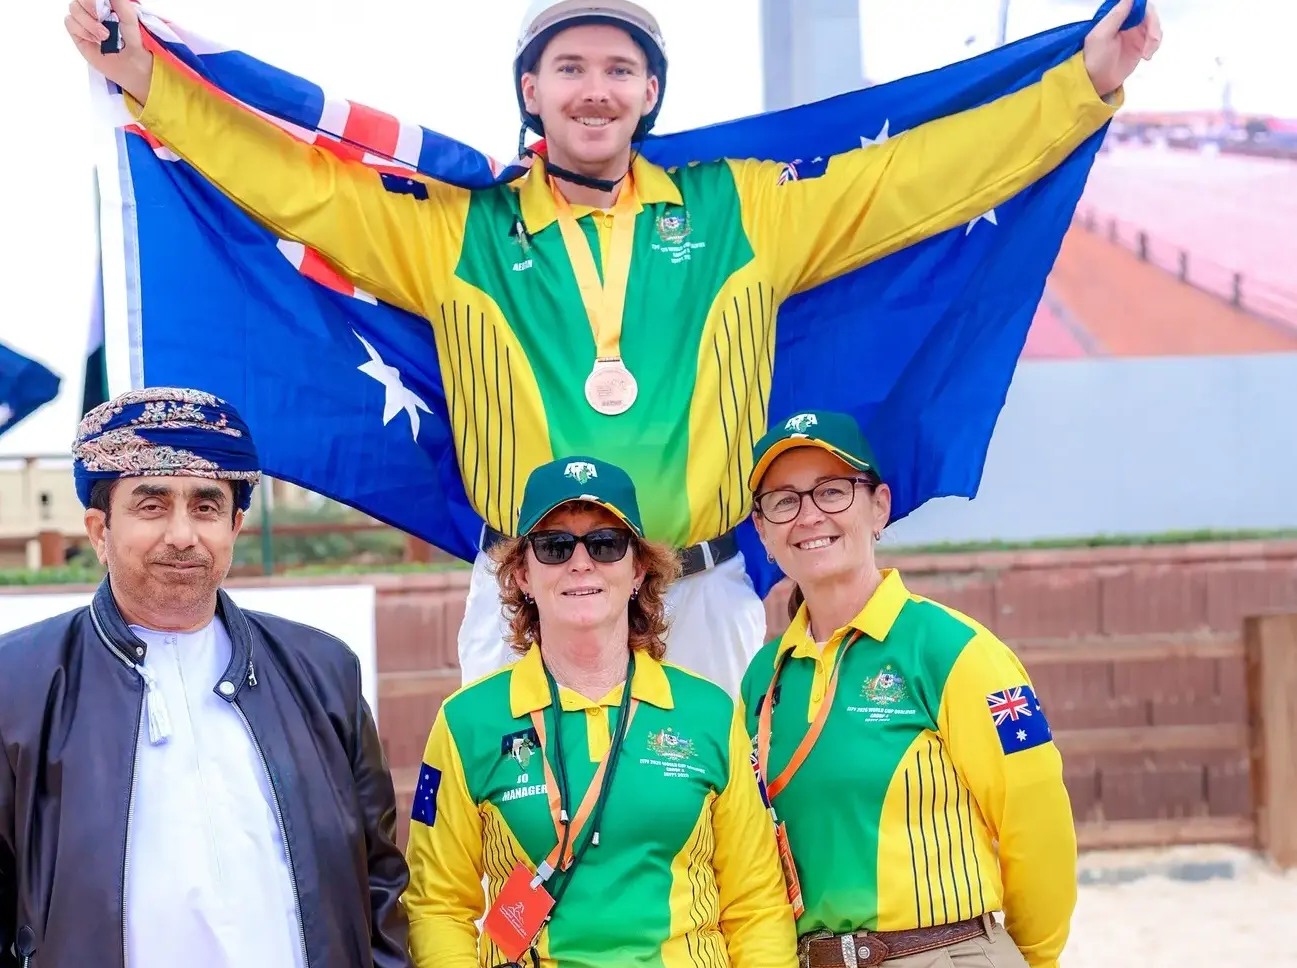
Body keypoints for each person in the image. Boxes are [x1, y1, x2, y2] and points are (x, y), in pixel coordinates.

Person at [63, 0, 1162, 694]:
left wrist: (1083, 87)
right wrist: (152, 81)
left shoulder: (741, 212)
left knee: (724, 856)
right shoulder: (457, 232)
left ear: (648, 93)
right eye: (570, 66)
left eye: (619, 68)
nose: (595, 86)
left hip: (697, 590)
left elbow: (913, 183)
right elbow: (294, 187)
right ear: (531, 92)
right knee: (520, 852)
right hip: (524, 585)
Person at [0, 386, 423, 968]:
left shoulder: (322, 672)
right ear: (100, 529)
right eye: (152, 505)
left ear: (235, 525)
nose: (183, 534)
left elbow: (380, 887)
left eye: (206, 507)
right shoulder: (12, 683)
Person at [402, 455, 798, 968]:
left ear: (638, 570)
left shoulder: (710, 713)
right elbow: (438, 906)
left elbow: (755, 903)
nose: (581, 563)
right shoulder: (464, 723)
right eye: (555, 546)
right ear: (523, 574)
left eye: (607, 543)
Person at [737, 411, 1077, 968]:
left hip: (940, 965)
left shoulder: (954, 650)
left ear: (879, 507)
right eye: (783, 501)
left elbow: (1037, 823)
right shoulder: (763, 678)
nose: (809, 515)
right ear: (764, 532)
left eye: (833, 490)